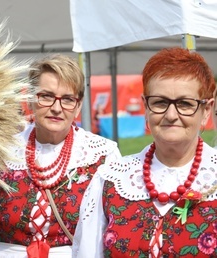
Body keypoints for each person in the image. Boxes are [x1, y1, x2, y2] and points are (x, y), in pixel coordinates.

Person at [0, 54, 121, 257]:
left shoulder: (102, 155)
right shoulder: (3, 150)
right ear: (31, 99)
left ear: (78, 106)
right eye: (46, 96)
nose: (56, 108)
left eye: (68, 99)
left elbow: (114, 232)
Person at [72, 47, 217, 257]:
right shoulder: (111, 179)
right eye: (160, 102)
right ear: (145, 108)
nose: (171, 115)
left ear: (205, 111)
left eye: (185, 104)